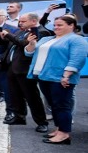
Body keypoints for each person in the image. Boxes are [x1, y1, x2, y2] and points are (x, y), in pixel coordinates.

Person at [25, 14, 88, 145]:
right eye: (54, 25)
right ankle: (59, 129)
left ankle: (64, 134)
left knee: (62, 106)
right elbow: (29, 53)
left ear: (71, 26)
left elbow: (77, 58)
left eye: (60, 25)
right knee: (54, 105)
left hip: (60, 79)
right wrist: (31, 43)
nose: (56, 27)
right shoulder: (47, 38)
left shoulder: (76, 40)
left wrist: (66, 75)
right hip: (44, 76)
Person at [0, 13, 52, 130]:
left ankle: (42, 122)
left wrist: (9, 35)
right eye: (19, 21)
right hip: (13, 67)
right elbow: (9, 43)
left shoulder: (41, 31)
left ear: (33, 21)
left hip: (26, 69)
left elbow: (24, 44)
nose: (20, 23)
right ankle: (19, 117)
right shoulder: (21, 31)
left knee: (32, 97)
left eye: (23, 21)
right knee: (15, 95)